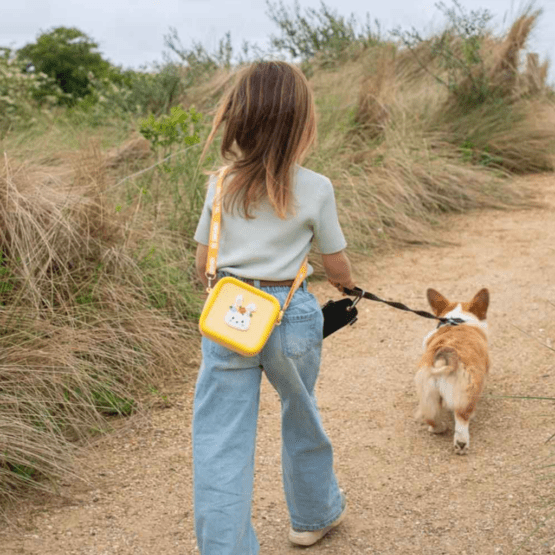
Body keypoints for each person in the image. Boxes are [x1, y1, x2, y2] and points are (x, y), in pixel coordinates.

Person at [192, 60, 356, 554]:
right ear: (303, 124)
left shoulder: (219, 185)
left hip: (229, 317)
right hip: (290, 314)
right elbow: (335, 262)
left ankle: (225, 547)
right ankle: (312, 517)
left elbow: (204, 261)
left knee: (220, 438)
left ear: (238, 119)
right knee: (300, 414)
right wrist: (349, 287)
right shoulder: (316, 187)